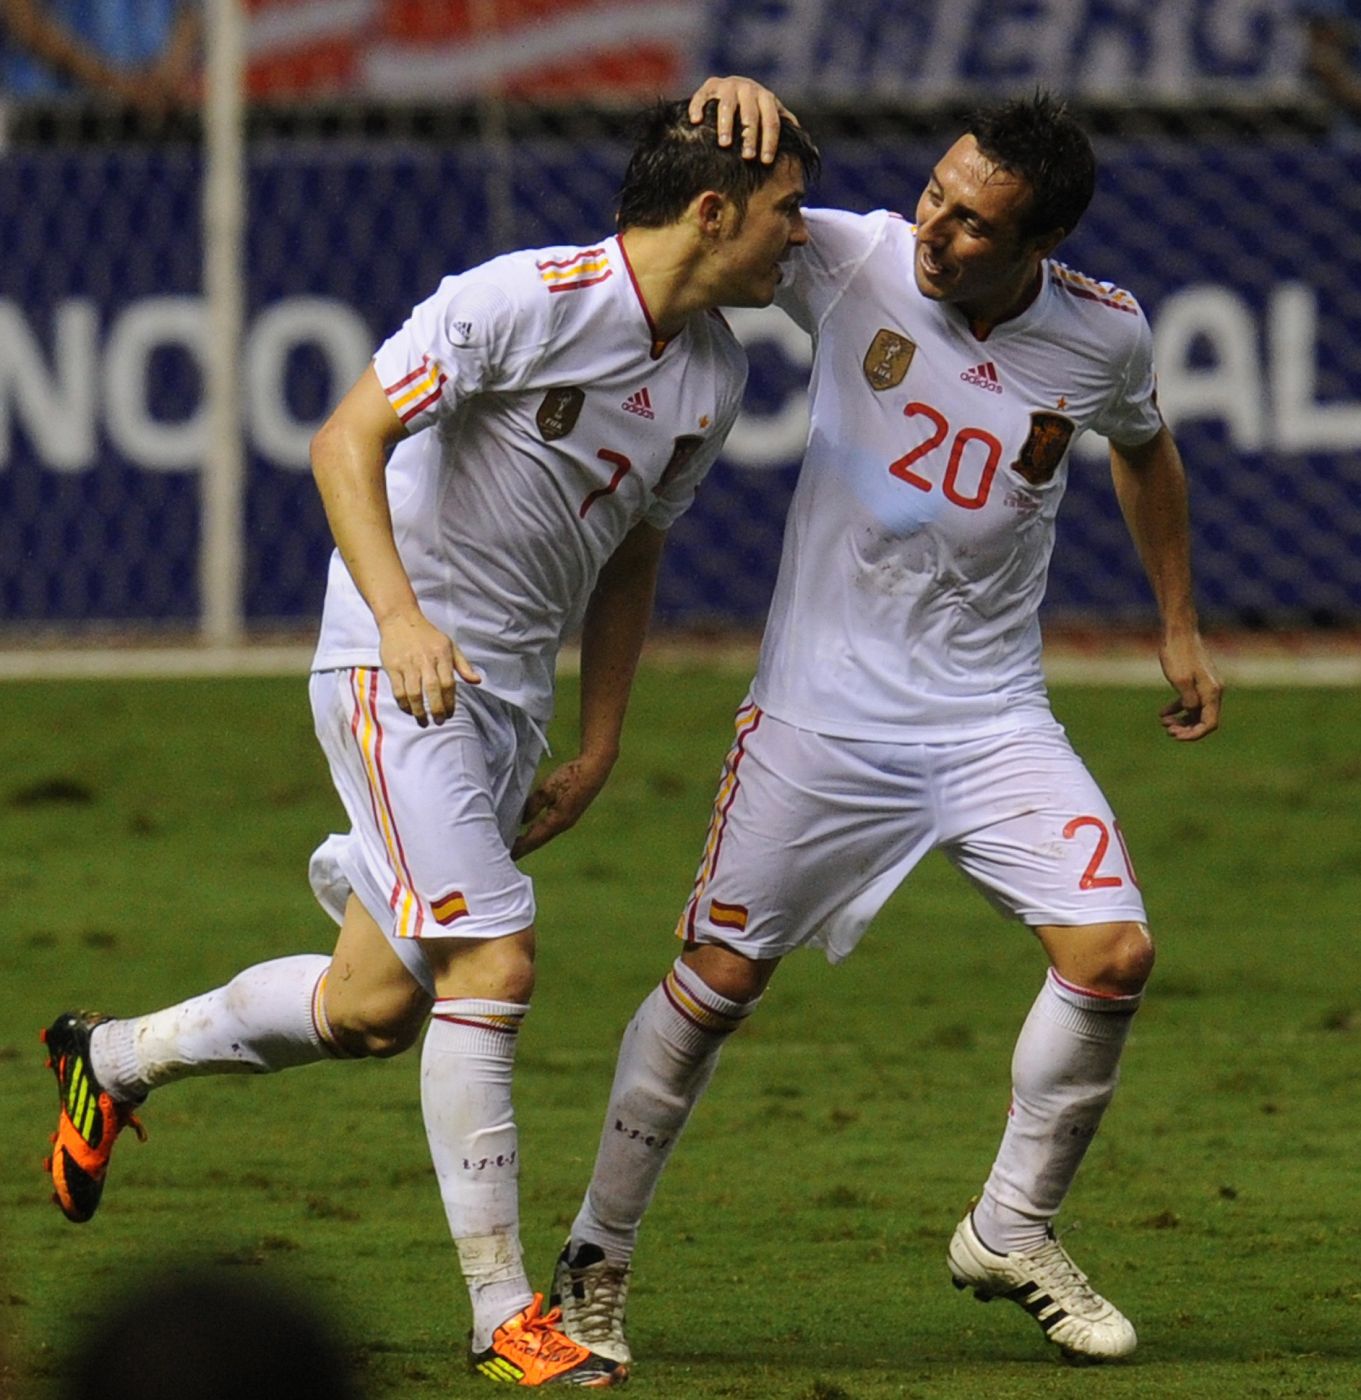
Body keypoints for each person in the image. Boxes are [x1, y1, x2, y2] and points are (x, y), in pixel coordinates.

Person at [39, 97, 819, 1389]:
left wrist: (604, 738)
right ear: (714, 210)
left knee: (372, 1011)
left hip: (502, 707)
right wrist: (400, 619)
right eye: (789, 207)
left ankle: (111, 1060)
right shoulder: (518, 298)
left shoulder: (714, 376)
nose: (800, 237)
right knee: (494, 961)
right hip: (392, 672)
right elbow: (344, 438)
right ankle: (502, 1314)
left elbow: (634, 551)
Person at [551, 77, 1223, 1369]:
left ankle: (1010, 1230)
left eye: (973, 222)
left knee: (1114, 954)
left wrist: (1178, 619)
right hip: (816, 719)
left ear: (1039, 248)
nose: (935, 229)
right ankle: (594, 1256)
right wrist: (729, 100)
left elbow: (1145, 449)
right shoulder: (855, 259)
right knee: (716, 987)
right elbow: (696, 222)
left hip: (988, 716)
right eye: (933, 192)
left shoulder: (1103, 336)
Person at [0, 0, 199, 113]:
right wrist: (110, 81)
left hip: (158, 112)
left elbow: (195, 12)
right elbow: (22, 18)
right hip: (49, 116)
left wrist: (167, 73)